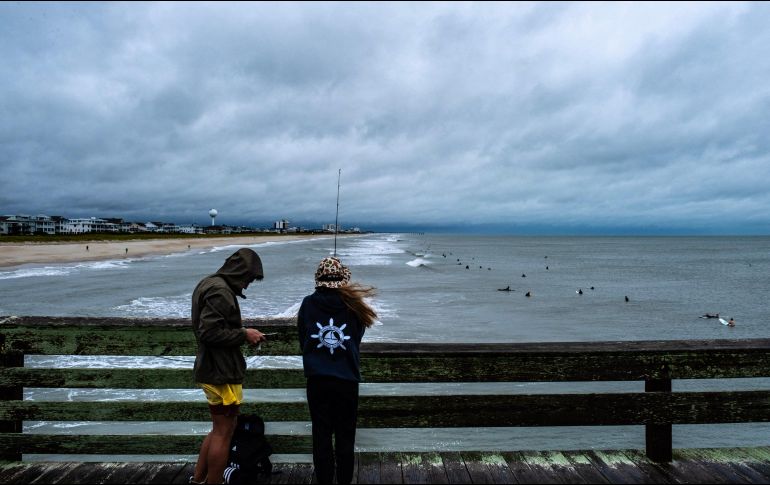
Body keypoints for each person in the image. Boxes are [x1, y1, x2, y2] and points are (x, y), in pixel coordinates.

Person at [190, 248, 267, 485]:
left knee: (218, 430)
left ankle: (199, 479)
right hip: (221, 372)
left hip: (212, 369)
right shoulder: (220, 292)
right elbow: (209, 332)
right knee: (224, 433)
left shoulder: (208, 283)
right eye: (248, 279)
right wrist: (245, 334)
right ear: (240, 272)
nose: (247, 285)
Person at [297, 257, 377, 485]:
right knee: (345, 437)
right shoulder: (354, 305)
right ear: (342, 280)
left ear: (319, 280)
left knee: (321, 436)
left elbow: (303, 338)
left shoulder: (308, 303)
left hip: (317, 380)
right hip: (346, 381)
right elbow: (357, 338)